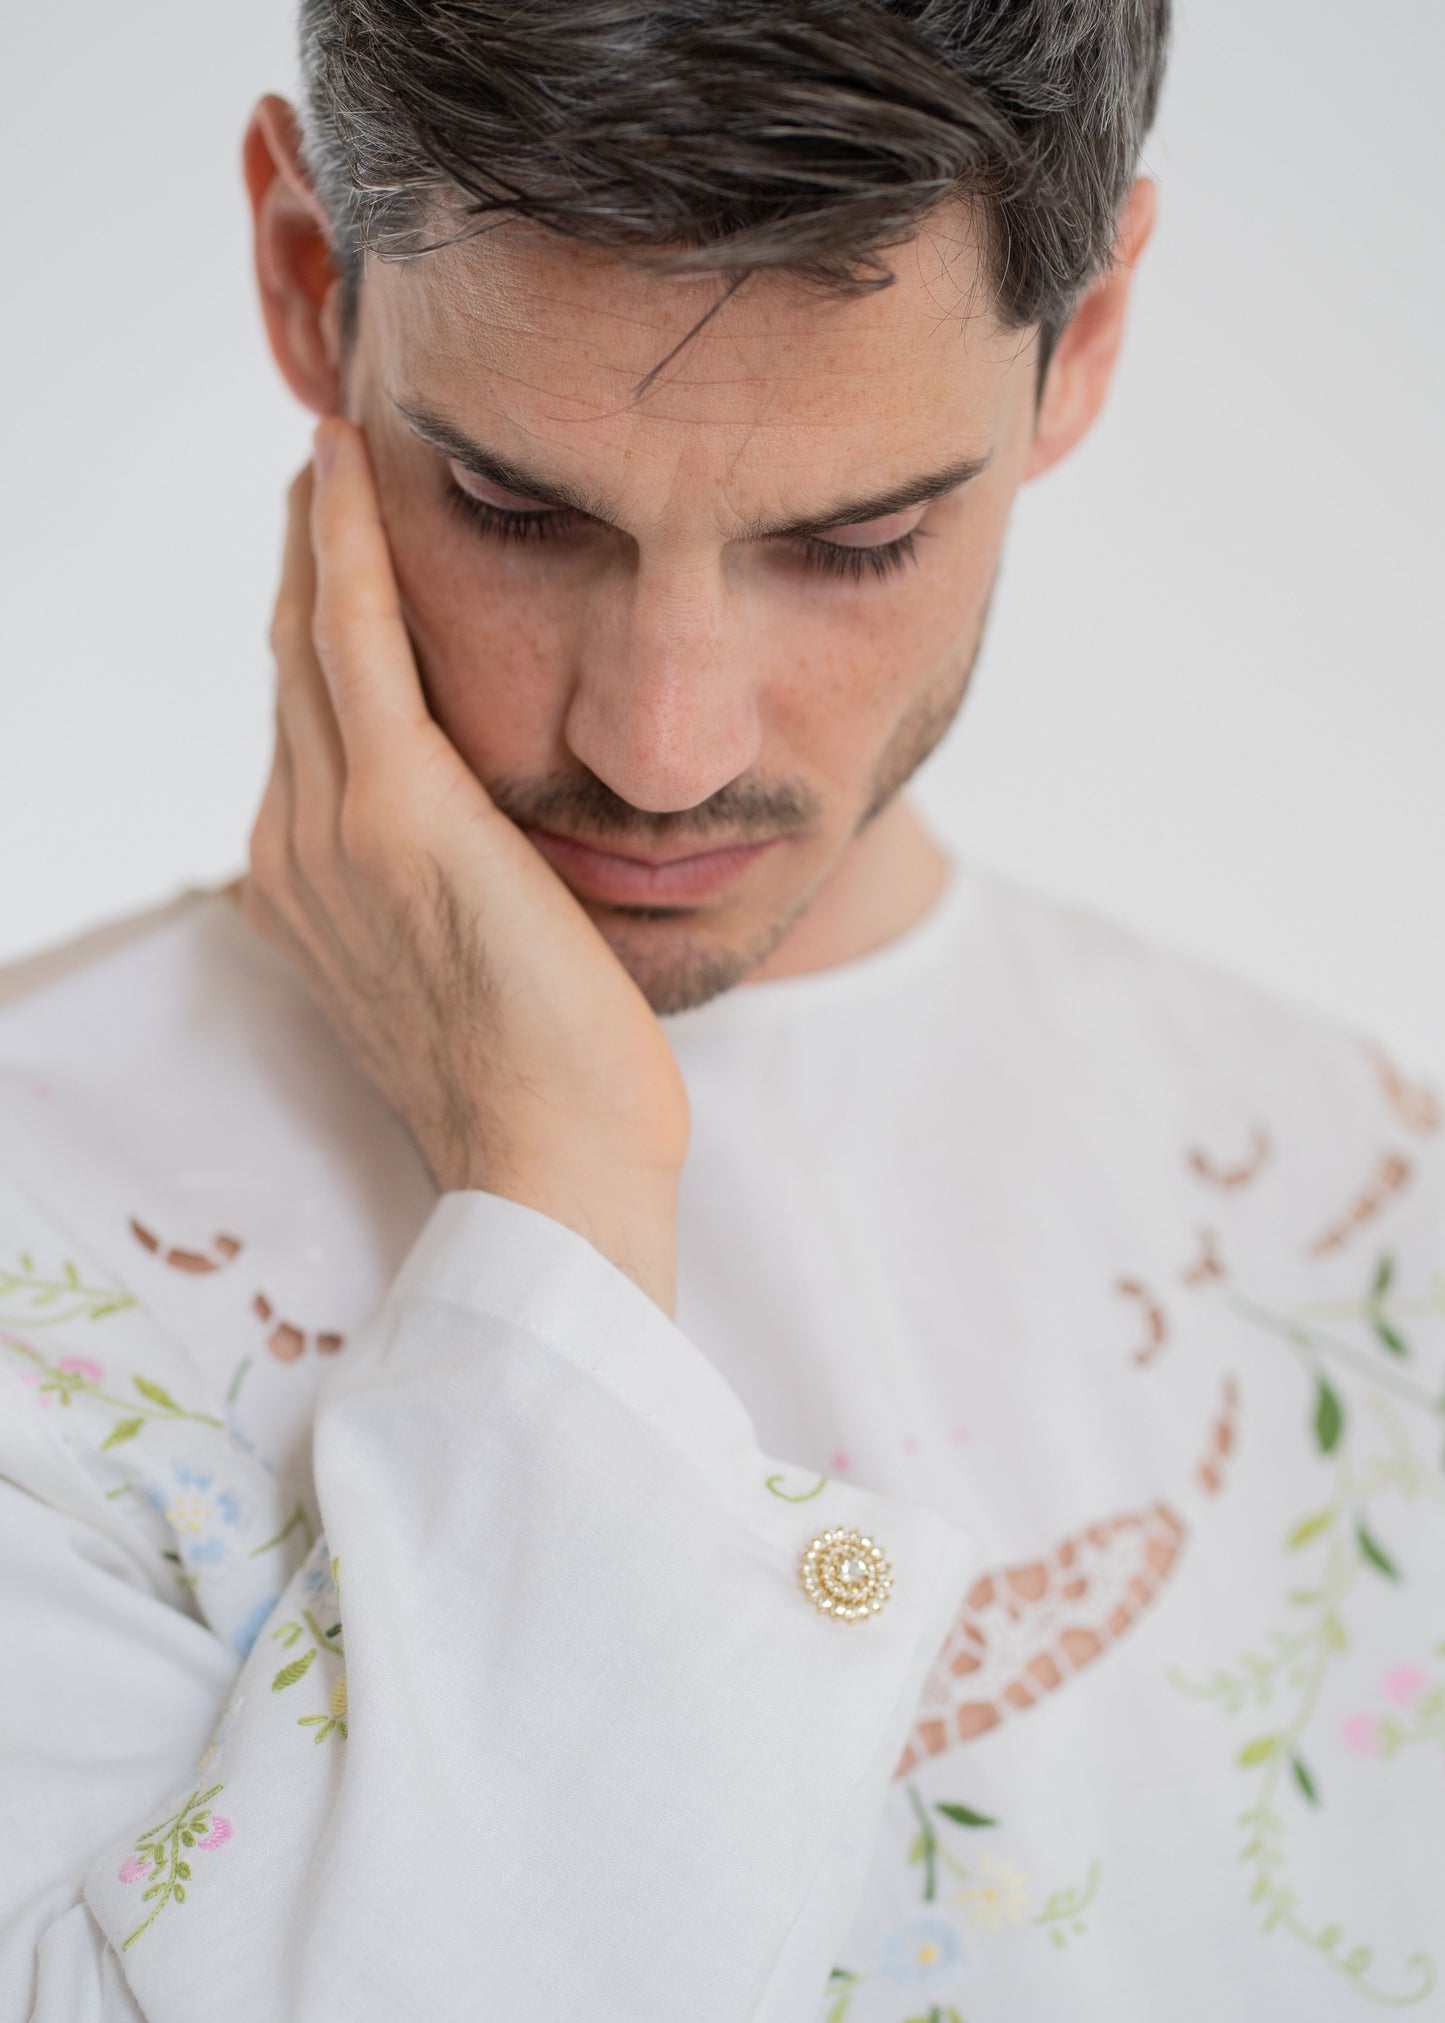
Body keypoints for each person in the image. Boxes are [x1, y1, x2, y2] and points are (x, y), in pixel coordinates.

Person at [2, 2, 1441, 2017]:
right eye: (521, 510)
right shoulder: (30, 1241)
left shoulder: (1383, 1233)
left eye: (853, 543)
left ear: (1085, 345)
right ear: (309, 283)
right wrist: (559, 1190)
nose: (662, 744)